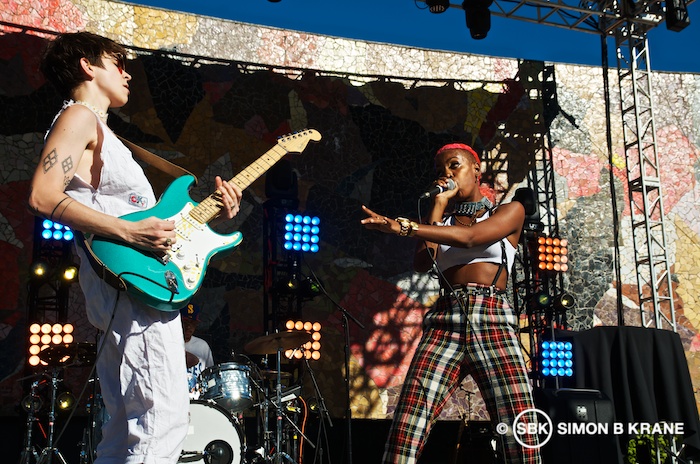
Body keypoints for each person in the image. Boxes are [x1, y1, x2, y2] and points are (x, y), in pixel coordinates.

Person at [28, 32, 242, 464]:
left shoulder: (101, 131)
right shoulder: (80, 117)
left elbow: (148, 225)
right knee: (160, 422)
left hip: (135, 284)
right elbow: (41, 195)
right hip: (132, 290)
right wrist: (127, 233)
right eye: (118, 63)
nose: (127, 74)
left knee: (127, 430)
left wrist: (211, 218)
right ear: (87, 66)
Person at [361, 143, 540, 464]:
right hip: (445, 319)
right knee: (407, 425)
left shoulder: (509, 211)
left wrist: (404, 226)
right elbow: (423, 261)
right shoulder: (441, 223)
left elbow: (471, 238)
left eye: (454, 165)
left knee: (519, 429)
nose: (447, 174)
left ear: (476, 169)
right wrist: (437, 206)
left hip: (491, 317)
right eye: (441, 170)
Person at [181, 302, 214, 399]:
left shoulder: (203, 346)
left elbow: (211, 374)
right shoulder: (172, 344)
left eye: (193, 323)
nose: (189, 327)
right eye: (186, 322)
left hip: (198, 399)